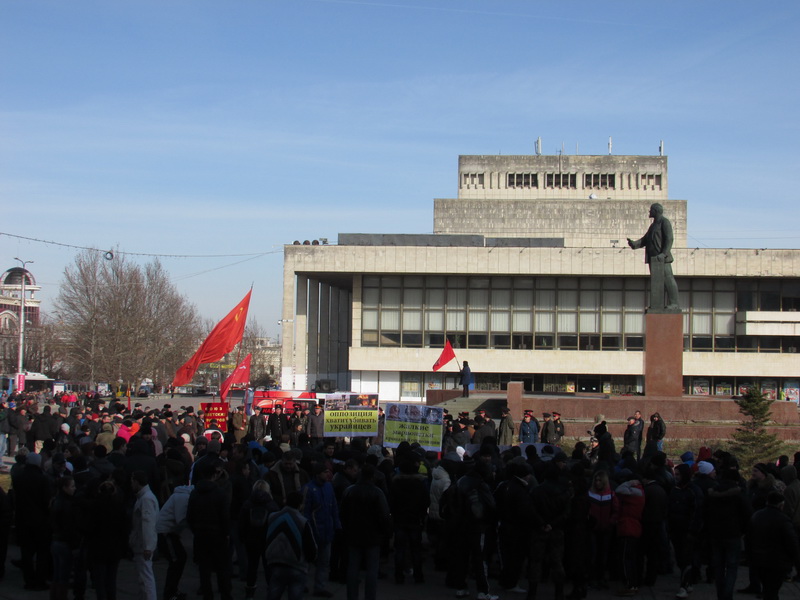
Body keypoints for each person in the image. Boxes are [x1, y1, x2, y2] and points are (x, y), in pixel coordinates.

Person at [340, 463, 392, 600]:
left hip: (353, 534)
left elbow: (342, 513)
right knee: (372, 570)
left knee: (353, 568)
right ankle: (370, 597)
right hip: (373, 536)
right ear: (373, 477)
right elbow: (384, 515)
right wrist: (385, 532)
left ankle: (352, 596)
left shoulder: (350, 490)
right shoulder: (377, 492)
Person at [265, 490, 318, 600]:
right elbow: (311, 548)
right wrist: (310, 560)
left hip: (275, 562)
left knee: (274, 593)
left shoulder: (272, 517)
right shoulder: (303, 522)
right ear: (300, 505)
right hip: (296, 565)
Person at [747, 492, 800, 600]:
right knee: (772, 590)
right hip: (778, 562)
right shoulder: (783, 520)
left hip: (759, 559)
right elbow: (792, 543)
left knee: (768, 589)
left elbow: (749, 538)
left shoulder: (757, 516)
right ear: (781, 505)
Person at [627, 202, 680, 311]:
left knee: (668, 279)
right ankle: (656, 305)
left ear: (655, 211)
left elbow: (669, 239)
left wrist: (663, 254)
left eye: (651, 210)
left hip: (662, 258)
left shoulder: (664, 222)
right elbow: (645, 239)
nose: (649, 212)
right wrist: (634, 244)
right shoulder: (653, 225)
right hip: (654, 259)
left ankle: (674, 303)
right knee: (656, 282)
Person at [130, 470, 159, 600]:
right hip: (142, 543)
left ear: (136, 481)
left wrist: (148, 546)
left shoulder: (145, 499)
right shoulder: (146, 497)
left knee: (146, 578)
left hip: (142, 544)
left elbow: (148, 523)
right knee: (144, 577)